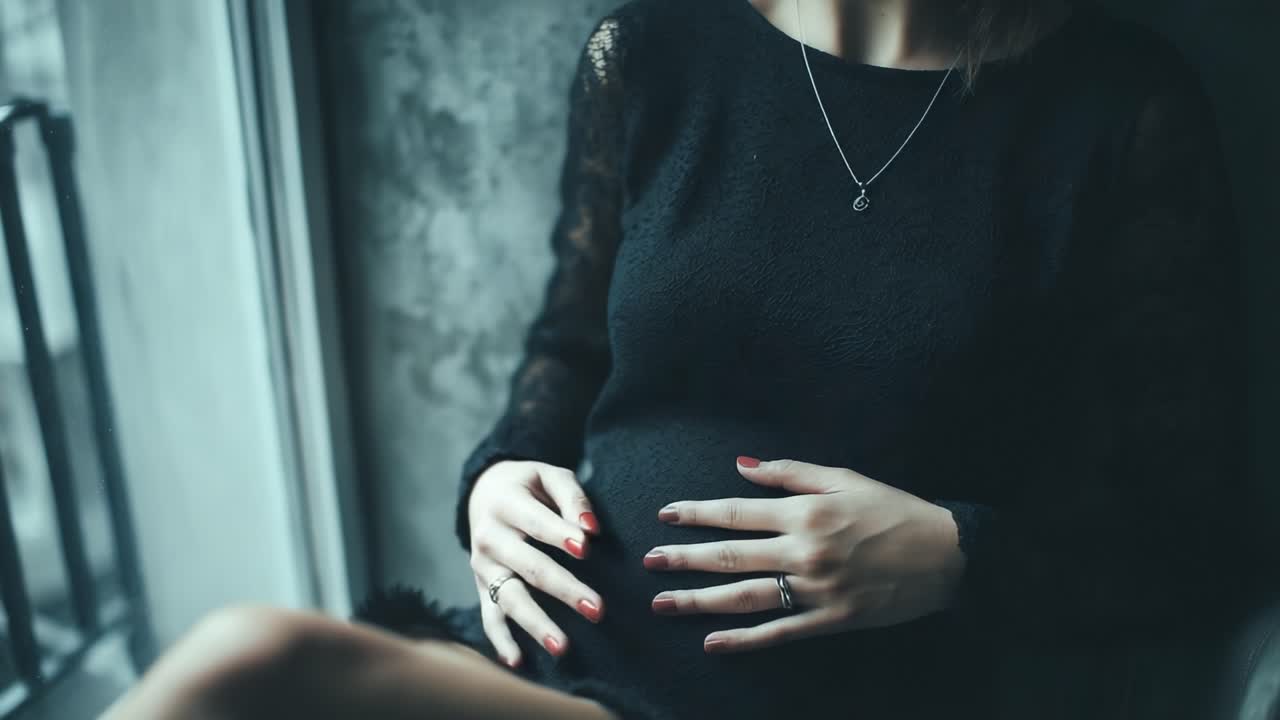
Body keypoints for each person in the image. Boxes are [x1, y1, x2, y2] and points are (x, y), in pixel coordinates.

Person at [100, 0, 1249, 718]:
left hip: (819, 702)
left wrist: (955, 556)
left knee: (249, 663)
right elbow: (567, 357)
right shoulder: (650, 51)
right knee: (239, 669)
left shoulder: (1119, 108)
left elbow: (1188, 539)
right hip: (555, 665)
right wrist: (497, 479)